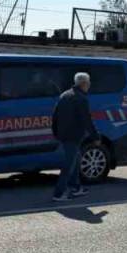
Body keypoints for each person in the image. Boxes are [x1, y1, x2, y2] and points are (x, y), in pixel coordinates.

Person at [52, 72, 97, 202]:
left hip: (64, 135)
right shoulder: (81, 98)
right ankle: (59, 193)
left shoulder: (64, 95)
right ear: (84, 84)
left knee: (76, 159)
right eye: (88, 83)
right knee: (69, 165)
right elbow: (87, 120)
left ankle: (76, 187)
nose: (89, 85)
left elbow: (55, 116)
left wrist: (56, 132)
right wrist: (95, 136)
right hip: (73, 136)